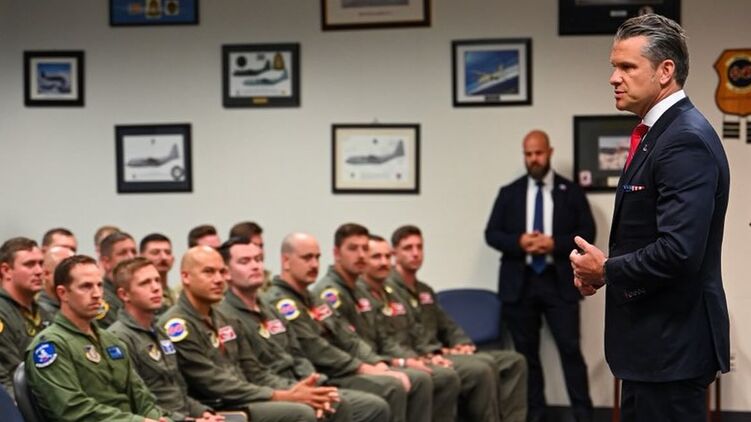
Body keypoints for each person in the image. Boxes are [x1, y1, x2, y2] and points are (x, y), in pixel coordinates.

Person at [569, 14, 730, 421]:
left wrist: (606, 270)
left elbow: (679, 251)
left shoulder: (684, 139)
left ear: (665, 71)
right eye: (614, 67)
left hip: (671, 347)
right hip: (651, 347)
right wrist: (604, 271)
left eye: (627, 67)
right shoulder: (659, 134)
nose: (614, 78)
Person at [484, 129, 595, 422]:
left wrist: (553, 244)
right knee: (526, 356)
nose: (533, 159)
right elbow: (492, 234)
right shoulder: (509, 193)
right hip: (519, 284)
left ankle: (584, 416)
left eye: (538, 153)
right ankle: (536, 415)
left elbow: (587, 232)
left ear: (550, 152)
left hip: (558, 281)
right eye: (528, 154)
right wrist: (519, 241)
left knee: (570, 351)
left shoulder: (571, 192)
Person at [218, 237, 391, 422]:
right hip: (270, 391)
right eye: (245, 261)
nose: (255, 266)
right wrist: (296, 391)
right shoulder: (226, 316)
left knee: (368, 405)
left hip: (296, 382)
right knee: (336, 405)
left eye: (259, 259)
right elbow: (253, 373)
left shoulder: (269, 309)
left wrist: (313, 382)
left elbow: (297, 354)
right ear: (226, 272)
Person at [158, 246, 341, 422]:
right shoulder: (177, 326)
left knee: (330, 402)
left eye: (222, 272)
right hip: (215, 407)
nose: (219, 279)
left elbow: (254, 370)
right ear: (186, 277)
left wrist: (295, 391)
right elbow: (214, 382)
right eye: (209, 272)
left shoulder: (225, 318)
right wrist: (281, 396)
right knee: (301, 413)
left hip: (246, 396)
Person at [313, 223, 459, 422]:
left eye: (365, 248)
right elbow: (348, 343)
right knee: (401, 383)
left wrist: (406, 360)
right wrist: (380, 365)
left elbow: (384, 335)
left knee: (435, 376)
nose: (361, 255)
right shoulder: (329, 294)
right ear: (337, 253)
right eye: (353, 248)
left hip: (373, 361)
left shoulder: (361, 291)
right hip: (344, 371)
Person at [263, 232, 412, 422]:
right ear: (286, 261)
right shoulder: (281, 302)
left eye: (317, 257)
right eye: (307, 258)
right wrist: (363, 368)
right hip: (321, 374)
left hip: (336, 371)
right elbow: (316, 348)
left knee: (406, 380)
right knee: (389, 389)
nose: (314, 264)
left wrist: (376, 363)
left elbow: (347, 337)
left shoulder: (312, 298)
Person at [389, 225, 528, 422]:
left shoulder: (424, 290)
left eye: (419, 247)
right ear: (394, 253)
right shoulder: (387, 290)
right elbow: (397, 338)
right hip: (423, 357)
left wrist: (463, 344)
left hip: (442, 353)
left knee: (514, 361)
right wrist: (435, 354)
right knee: (482, 368)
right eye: (408, 248)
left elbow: (448, 325)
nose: (416, 253)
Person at [25, 255, 171, 421]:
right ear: (63, 293)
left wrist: (160, 419)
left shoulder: (111, 340)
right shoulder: (51, 346)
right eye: (86, 286)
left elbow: (142, 399)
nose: (96, 294)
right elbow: (73, 410)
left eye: (99, 285)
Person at [108, 257, 224, 422]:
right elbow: (137, 403)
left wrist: (202, 412)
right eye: (145, 283)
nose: (156, 288)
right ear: (124, 294)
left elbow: (178, 389)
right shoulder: (119, 338)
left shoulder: (160, 331)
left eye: (157, 280)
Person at [0, 237, 52, 399]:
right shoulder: (2, 312)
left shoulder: (45, 313)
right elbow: (7, 377)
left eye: (41, 263)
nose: (39, 271)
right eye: (29, 264)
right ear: (6, 270)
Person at [97, 232, 138, 328]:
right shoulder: (102, 300)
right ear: (106, 262)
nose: (131, 257)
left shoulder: (137, 292)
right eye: (123, 253)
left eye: (133, 252)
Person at [140, 233, 177, 313]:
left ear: (173, 259)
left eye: (167, 252)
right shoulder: (141, 296)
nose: (163, 257)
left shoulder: (175, 295)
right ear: (141, 258)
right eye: (155, 252)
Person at [229, 221, 273, 289]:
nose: (259, 251)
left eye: (261, 246)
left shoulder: (270, 285)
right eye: (254, 246)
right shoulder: (222, 287)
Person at [38, 245, 75, 316]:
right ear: (46, 274)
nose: (73, 276)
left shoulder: (78, 307)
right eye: (66, 270)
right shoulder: (40, 312)